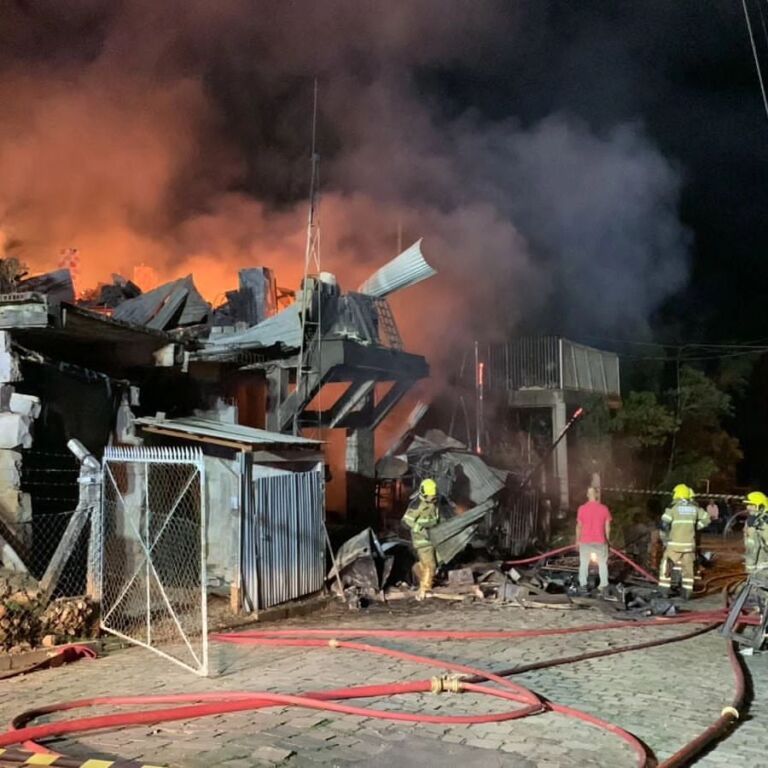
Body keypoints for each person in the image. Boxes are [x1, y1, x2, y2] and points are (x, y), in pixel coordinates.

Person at [658, 484, 710, 599]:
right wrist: (696, 526)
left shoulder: (673, 508)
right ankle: (686, 593)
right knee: (688, 569)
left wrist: (666, 538)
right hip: (689, 545)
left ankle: (664, 591)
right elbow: (707, 518)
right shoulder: (694, 508)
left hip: (675, 545)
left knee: (667, 566)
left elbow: (664, 524)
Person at [402, 478, 440, 600]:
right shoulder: (416, 504)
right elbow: (405, 522)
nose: (431, 499)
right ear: (423, 493)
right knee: (430, 565)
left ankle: (417, 569)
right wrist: (418, 528)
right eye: (429, 497)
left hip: (432, 538)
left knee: (437, 561)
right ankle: (424, 590)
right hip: (422, 541)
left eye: (433, 496)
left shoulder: (434, 501)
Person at [576, 487, 611, 593]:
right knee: (602, 564)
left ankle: (583, 585)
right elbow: (607, 527)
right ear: (597, 495)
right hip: (600, 541)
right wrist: (607, 540)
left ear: (587, 494)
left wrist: (577, 540)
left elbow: (579, 526)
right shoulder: (604, 509)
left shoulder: (582, 509)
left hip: (585, 541)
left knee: (584, 563)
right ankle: (603, 585)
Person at [744, 491, 768, 575]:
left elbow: (752, 549)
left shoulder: (760, 525)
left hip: (762, 570)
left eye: (751, 505)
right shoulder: (754, 522)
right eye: (747, 505)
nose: (748, 507)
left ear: (760, 506)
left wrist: (750, 569)